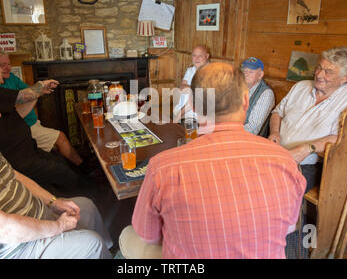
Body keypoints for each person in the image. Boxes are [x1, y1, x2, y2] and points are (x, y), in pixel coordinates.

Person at [123, 62, 306, 258]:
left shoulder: (162, 167)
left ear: (192, 105)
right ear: (245, 101)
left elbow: (149, 235)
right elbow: (289, 227)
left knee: (128, 235)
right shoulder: (286, 161)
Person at [0, 75, 112, 258]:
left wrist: (53, 201)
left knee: (86, 207)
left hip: (34, 217)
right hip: (15, 247)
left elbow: (13, 175)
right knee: (91, 244)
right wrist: (57, 227)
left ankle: (107, 253)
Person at [0, 54, 90, 197]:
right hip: (19, 160)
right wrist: (41, 85)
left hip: (27, 150)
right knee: (63, 171)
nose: (2, 70)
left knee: (62, 163)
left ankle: (87, 185)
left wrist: (38, 93)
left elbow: (18, 114)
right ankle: (95, 196)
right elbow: (22, 96)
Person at [268, 46, 347, 192]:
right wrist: (275, 132)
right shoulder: (300, 86)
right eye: (319, 68)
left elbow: (343, 137)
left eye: (328, 72)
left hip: (307, 165)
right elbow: (277, 113)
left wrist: (307, 149)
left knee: (273, 191)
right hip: (276, 153)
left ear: (345, 77)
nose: (319, 75)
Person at [0, 49, 89, 170]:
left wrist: (37, 91)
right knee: (60, 137)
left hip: (31, 123)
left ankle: (75, 164)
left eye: (9, 64)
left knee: (58, 146)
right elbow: (27, 96)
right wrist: (40, 87)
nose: (7, 68)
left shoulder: (11, 78)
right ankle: (83, 167)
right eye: (2, 65)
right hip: (24, 127)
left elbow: (30, 91)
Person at [173, 45, 210, 121]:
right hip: (182, 111)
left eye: (200, 56)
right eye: (194, 55)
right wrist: (191, 88)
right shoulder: (190, 70)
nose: (196, 59)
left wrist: (177, 117)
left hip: (199, 116)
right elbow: (181, 87)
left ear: (207, 56)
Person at [240, 57, 275, 136]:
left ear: (260, 75)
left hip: (248, 140)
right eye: (244, 71)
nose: (246, 74)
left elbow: (252, 129)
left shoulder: (266, 94)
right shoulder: (237, 87)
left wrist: (229, 133)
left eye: (251, 71)